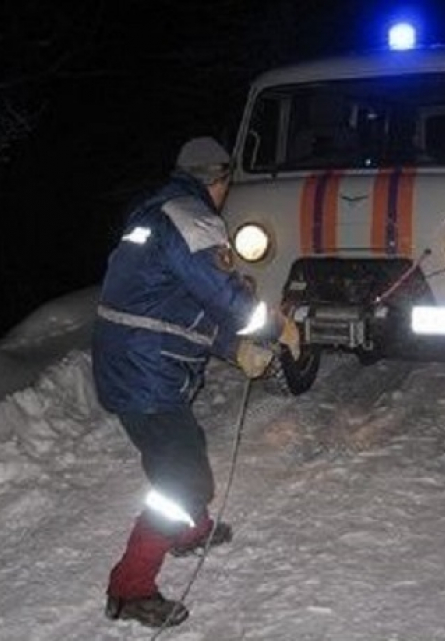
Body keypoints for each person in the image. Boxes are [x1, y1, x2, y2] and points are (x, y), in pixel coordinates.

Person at [91, 136, 300, 628]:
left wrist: (234, 349)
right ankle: (130, 590)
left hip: (127, 360)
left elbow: (180, 306)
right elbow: (225, 298)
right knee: (179, 482)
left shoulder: (154, 210)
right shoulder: (194, 218)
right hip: (147, 370)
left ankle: (191, 530)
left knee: (185, 447)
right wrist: (272, 328)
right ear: (220, 180)